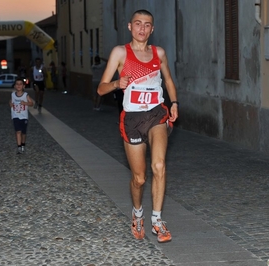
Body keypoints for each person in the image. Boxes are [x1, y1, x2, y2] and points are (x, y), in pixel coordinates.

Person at [97, 9, 179, 243]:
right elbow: (100, 88)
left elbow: (169, 81)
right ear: (130, 27)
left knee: (159, 165)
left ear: (152, 29)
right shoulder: (120, 52)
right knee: (140, 178)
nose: (142, 28)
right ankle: (138, 212)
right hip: (132, 119)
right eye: (138, 24)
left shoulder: (159, 53)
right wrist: (115, 83)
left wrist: (174, 103)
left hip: (156, 115)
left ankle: (157, 220)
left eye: (147, 25)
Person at [9, 78, 33, 154]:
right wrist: (10, 104)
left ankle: (23, 145)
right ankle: (19, 147)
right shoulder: (13, 94)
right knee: (18, 131)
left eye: (20, 84)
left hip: (24, 116)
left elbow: (31, 103)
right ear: (15, 86)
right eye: (17, 84)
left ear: (23, 86)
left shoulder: (26, 95)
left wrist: (26, 103)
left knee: (23, 132)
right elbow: (10, 101)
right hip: (15, 115)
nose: (19, 85)